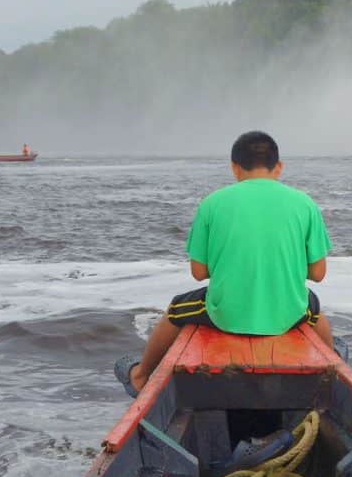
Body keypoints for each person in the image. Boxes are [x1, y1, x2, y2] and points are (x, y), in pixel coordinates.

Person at [126, 131, 333, 393]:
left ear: (235, 167)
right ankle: (334, 370)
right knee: (314, 310)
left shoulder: (212, 203)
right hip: (288, 313)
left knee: (176, 311)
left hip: (226, 314)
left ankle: (141, 376)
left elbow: (199, 273)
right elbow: (318, 273)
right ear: (278, 167)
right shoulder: (305, 204)